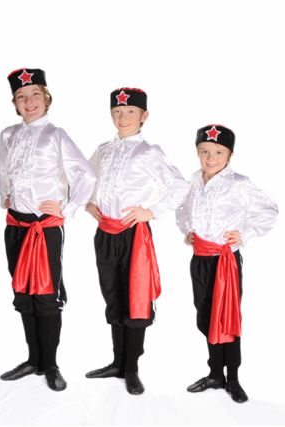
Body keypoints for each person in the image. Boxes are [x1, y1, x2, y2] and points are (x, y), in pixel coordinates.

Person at [0, 68, 96, 392]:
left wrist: (67, 207)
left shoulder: (56, 135)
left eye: (35, 94)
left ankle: (50, 363)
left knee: (46, 295)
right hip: (16, 226)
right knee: (23, 292)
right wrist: (5, 194)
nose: (29, 101)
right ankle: (33, 359)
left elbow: (85, 174)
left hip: (44, 229)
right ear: (14, 103)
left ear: (46, 98)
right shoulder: (7, 135)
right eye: (21, 96)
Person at [85, 87, 189, 395]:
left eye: (130, 112)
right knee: (113, 295)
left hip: (133, 234)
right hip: (105, 232)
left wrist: (151, 211)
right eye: (117, 112)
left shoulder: (149, 152)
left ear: (144, 116)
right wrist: (89, 202)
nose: (123, 117)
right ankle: (117, 362)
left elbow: (180, 186)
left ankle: (131, 367)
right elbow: (83, 178)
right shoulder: (104, 150)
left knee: (135, 299)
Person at [175, 124, 278, 403]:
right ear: (197, 152)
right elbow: (182, 210)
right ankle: (215, 374)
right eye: (205, 151)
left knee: (226, 318)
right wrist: (187, 231)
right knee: (206, 317)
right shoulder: (193, 180)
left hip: (224, 262)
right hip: (199, 259)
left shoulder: (238, 184)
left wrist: (246, 234)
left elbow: (269, 210)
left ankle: (232, 377)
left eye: (218, 152)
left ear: (230, 154)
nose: (211, 158)